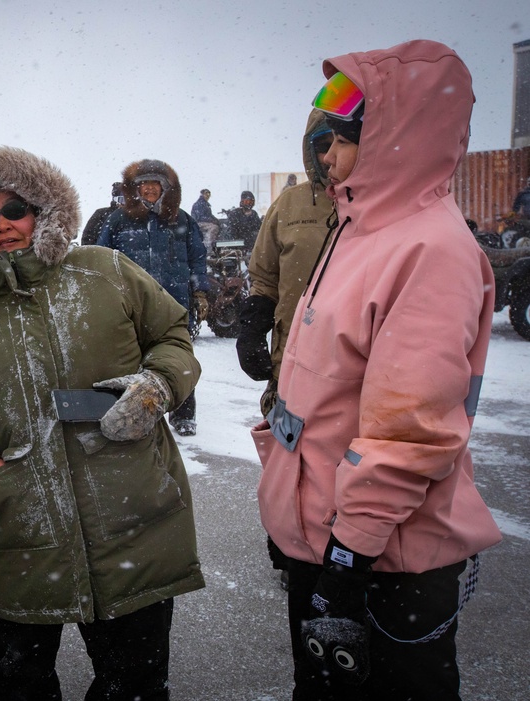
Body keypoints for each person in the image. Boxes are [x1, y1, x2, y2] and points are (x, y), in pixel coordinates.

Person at [254, 40, 502, 700]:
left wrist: (347, 555)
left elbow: (409, 431)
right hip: (324, 534)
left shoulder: (429, 248)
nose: (324, 155)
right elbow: (320, 392)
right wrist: (288, 509)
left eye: (336, 138)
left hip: (382, 559)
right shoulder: (358, 226)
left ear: (394, 134)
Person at [0, 145, 206, 701]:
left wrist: (158, 386)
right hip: (21, 528)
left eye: (15, 210)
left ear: (42, 208)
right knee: (17, 685)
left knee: (136, 686)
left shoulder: (106, 272)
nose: (3, 226)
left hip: (132, 516)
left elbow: (173, 337)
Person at [97, 158, 208, 436]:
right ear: (134, 188)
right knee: (129, 360)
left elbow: (197, 257)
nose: (149, 189)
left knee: (178, 360)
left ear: (166, 188)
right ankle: (133, 412)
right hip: (129, 304)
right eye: (144, 184)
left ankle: (183, 415)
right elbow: (100, 256)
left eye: (155, 184)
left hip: (174, 304)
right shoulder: (118, 219)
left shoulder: (182, 219)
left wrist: (200, 291)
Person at [237, 110, 334, 419]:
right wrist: (251, 331)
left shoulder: (383, 205)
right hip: (292, 363)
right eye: (323, 144)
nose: (331, 155)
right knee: (287, 459)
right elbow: (265, 277)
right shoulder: (290, 204)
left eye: (343, 142)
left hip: (360, 371)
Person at [190, 188, 220, 252]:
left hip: (205, 222)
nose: (208, 196)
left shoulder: (206, 204)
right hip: (199, 223)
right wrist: (212, 221)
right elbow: (200, 217)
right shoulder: (199, 204)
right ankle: (208, 246)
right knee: (214, 227)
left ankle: (215, 245)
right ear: (202, 194)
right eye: (206, 194)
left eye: (209, 194)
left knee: (218, 225)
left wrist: (216, 220)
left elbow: (210, 215)